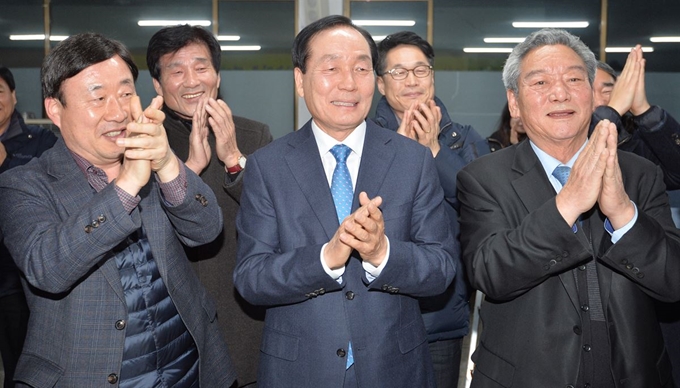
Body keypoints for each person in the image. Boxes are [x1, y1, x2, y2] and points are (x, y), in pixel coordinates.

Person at [234, 15, 458, 388]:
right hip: (300, 370)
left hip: (395, 368)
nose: (349, 83)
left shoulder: (412, 159)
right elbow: (251, 278)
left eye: (361, 68)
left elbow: (441, 267)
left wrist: (381, 252)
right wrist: (326, 258)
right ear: (299, 81)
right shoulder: (268, 165)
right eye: (332, 67)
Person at [0, 33, 235, 387]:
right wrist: (126, 184)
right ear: (55, 110)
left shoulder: (153, 156)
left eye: (126, 94)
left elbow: (206, 230)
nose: (118, 111)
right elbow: (47, 267)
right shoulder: (24, 184)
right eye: (98, 98)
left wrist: (169, 163)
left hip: (189, 367)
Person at [457, 28, 680, 387]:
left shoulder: (639, 173)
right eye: (540, 82)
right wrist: (567, 204)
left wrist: (623, 212)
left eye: (574, 79)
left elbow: (674, 281)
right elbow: (491, 273)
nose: (559, 92)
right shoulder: (483, 177)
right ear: (514, 103)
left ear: (593, 94)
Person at [146, 24, 272, 386]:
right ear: (157, 84)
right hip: (168, 317)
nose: (191, 81)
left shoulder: (253, 135)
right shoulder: (139, 140)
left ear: (217, 76)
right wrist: (187, 171)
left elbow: (276, 216)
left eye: (201, 68)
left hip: (239, 316)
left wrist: (233, 157)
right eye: (176, 70)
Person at [372, 30, 487, 388]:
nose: (411, 81)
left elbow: (480, 204)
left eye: (420, 71)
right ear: (380, 84)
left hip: (441, 312)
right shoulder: (362, 138)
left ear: (432, 78)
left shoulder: (465, 139)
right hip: (376, 309)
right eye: (399, 72)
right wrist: (402, 157)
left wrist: (435, 152)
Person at [0, 65, 57, 388]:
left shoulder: (41, 142)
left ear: (13, 96)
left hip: (16, 281)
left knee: (20, 367)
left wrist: (4, 164)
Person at [591, 46, 680, 190]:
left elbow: (675, 176)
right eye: (589, 92)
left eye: (607, 91)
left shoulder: (635, 142)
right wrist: (611, 111)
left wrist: (643, 110)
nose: (599, 102)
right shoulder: (558, 140)